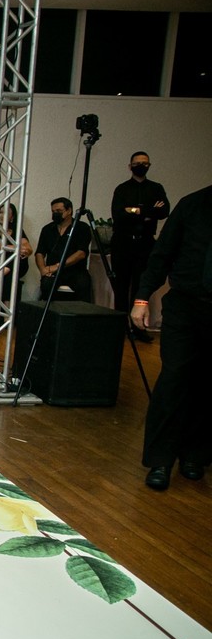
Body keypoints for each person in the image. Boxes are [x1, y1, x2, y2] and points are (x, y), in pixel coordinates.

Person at [129, 184, 211, 491]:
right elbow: (162, 254)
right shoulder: (192, 205)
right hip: (186, 307)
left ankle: (195, 455)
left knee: (206, 384)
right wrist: (142, 297)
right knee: (174, 379)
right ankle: (160, 460)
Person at [111, 151, 169, 341]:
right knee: (121, 286)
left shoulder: (156, 188)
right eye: (137, 163)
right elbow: (118, 215)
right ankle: (120, 327)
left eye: (145, 163)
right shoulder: (122, 189)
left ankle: (138, 327)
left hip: (145, 242)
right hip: (123, 242)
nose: (141, 166)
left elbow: (164, 211)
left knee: (140, 285)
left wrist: (134, 210)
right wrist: (147, 211)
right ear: (130, 166)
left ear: (149, 165)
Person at [35, 197, 92, 301]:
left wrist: (57, 266)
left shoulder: (82, 228)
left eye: (59, 211)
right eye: (53, 211)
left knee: (83, 284)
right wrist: (43, 269)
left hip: (75, 271)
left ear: (69, 210)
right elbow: (39, 253)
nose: (55, 214)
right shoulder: (47, 229)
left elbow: (81, 253)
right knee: (46, 284)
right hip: (52, 272)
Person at [0, 203, 32, 303]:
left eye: (6, 213)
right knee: (9, 274)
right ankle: (7, 309)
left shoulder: (17, 230)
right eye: (1, 212)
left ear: (12, 217)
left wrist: (22, 250)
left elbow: (28, 248)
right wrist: (17, 248)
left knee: (16, 256)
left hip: (19, 266)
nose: (2, 215)